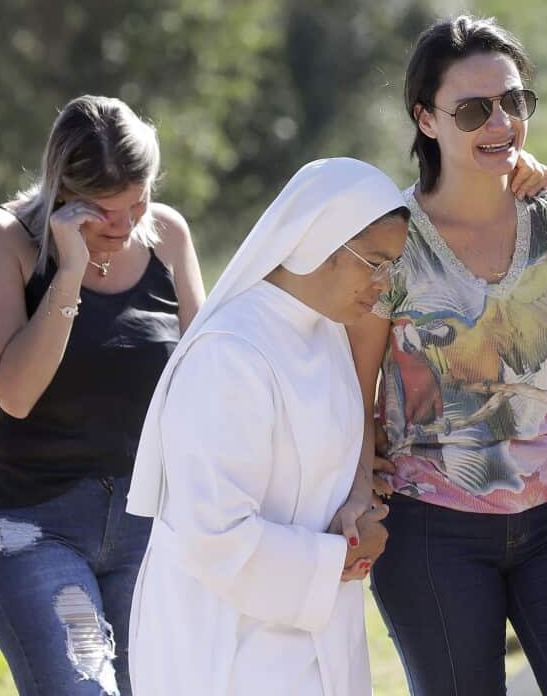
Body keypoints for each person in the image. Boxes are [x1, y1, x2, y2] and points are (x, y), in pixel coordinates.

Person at [348, 16, 547, 695]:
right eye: (475, 109)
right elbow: (352, 391)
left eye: (514, 102)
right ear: (426, 118)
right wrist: (363, 490)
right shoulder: (389, 239)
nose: (501, 122)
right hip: (428, 536)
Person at [0, 94, 205, 696]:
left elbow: (204, 378)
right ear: (62, 192)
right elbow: (15, 392)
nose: (123, 225)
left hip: (148, 524)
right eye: (102, 212)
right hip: (31, 527)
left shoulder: (167, 234)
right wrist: (69, 272)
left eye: (136, 203)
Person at [125, 157, 407, 696]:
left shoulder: (325, 330)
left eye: (390, 266)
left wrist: (355, 502)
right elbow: (215, 533)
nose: (383, 284)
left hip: (312, 633)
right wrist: (341, 556)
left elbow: (336, 456)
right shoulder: (229, 352)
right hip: (230, 648)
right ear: (319, 239)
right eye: (373, 262)